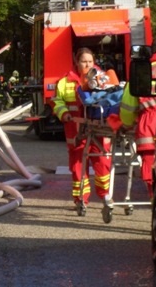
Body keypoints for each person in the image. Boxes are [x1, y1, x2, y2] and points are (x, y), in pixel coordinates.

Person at [52, 47, 112, 216]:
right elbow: (57, 101)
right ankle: (81, 200)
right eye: (83, 61)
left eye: (90, 61)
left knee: (102, 162)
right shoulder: (65, 82)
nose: (87, 64)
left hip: (99, 130)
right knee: (78, 166)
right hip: (76, 131)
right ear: (76, 63)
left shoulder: (103, 79)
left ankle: (105, 196)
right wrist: (63, 114)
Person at [119, 37, 156, 198]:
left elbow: (128, 108)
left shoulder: (141, 70)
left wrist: (127, 124)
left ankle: (154, 199)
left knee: (150, 164)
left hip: (149, 126)